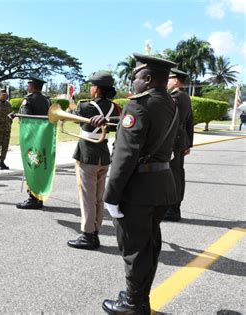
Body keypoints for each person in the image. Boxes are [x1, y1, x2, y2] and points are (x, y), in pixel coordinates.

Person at [96, 54, 178, 314]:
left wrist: (111, 195)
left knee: (135, 250)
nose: (133, 82)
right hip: (162, 186)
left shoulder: (138, 106)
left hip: (138, 190)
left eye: (136, 77)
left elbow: (125, 155)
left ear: (149, 78)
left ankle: (134, 304)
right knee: (150, 247)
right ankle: (139, 296)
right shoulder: (170, 103)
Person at [66, 71, 119, 250]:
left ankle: (87, 235)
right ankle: (95, 232)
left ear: (97, 88)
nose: (90, 88)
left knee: (87, 197)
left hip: (87, 154)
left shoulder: (85, 106)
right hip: (103, 154)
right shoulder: (115, 108)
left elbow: (69, 115)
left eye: (92, 85)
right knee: (98, 197)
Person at [16, 76, 51, 209]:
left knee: (32, 166)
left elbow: (26, 120)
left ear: (32, 86)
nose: (27, 87)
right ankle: (39, 197)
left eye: (29, 85)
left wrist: (16, 116)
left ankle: (33, 198)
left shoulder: (28, 100)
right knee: (40, 167)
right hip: (43, 138)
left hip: (31, 139)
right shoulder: (47, 100)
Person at [164, 69, 194, 221]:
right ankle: (173, 208)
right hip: (180, 140)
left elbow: (172, 122)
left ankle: (173, 209)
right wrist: (189, 143)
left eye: (169, 79)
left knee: (174, 175)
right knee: (177, 173)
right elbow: (190, 121)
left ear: (176, 80)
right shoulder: (185, 96)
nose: (167, 81)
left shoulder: (175, 97)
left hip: (174, 141)